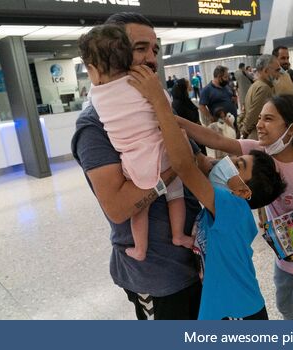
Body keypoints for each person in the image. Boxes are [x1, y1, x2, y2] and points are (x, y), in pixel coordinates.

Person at [174, 94, 293, 320]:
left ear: (291, 129)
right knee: (285, 304)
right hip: (285, 254)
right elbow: (214, 139)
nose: (259, 124)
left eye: (268, 119)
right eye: (259, 118)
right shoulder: (257, 151)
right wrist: (176, 121)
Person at [127, 65, 287, 319]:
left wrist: (158, 99)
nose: (226, 163)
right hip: (225, 308)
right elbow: (199, 161)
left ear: (243, 192)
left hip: (241, 313)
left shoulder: (231, 207)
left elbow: (184, 166)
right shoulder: (228, 203)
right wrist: (165, 120)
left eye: (238, 165)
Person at [71, 12, 202, 320]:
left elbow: (198, 156)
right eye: (140, 47)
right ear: (114, 51)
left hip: (194, 258)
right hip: (157, 275)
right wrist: (174, 169)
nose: (151, 58)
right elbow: (118, 207)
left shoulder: (156, 103)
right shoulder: (95, 125)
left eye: (155, 50)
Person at [240, 54, 281, 140]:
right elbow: (253, 115)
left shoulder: (256, 85)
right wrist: (245, 132)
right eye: (277, 71)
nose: (279, 74)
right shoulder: (264, 88)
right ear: (266, 71)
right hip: (258, 136)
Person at [172, 78, 206, 155]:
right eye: (188, 85)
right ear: (183, 88)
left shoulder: (185, 100)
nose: (190, 87)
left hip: (197, 136)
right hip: (191, 139)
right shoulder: (178, 105)